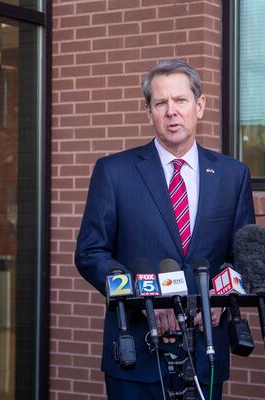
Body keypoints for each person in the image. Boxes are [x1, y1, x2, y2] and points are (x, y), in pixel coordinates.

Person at [75, 59, 254, 399]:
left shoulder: (233, 175)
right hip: (136, 351)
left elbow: (242, 257)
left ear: (199, 106)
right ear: (149, 112)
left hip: (206, 352)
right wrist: (143, 300)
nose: (172, 111)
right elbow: (90, 253)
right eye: (161, 103)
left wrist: (220, 298)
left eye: (181, 100)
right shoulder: (114, 172)